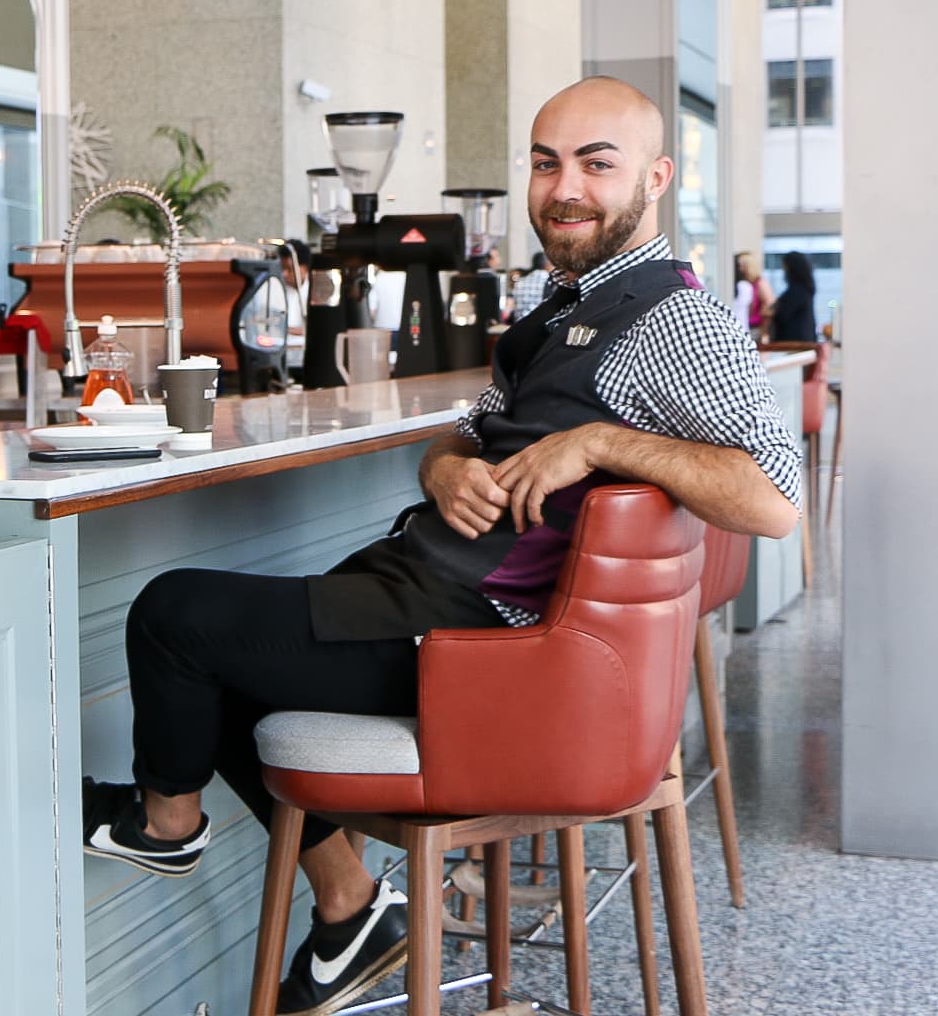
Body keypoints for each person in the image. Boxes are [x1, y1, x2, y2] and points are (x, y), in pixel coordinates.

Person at [81, 77, 803, 1016]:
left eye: (596, 162)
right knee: (221, 649)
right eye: (546, 163)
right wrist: (441, 469)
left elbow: (773, 497)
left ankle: (168, 820)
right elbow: (469, 430)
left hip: (481, 654)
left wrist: (602, 443)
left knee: (175, 616)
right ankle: (348, 911)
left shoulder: (671, 317)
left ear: (655, 178)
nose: (565, 186)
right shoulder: (561, 306)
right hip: (433, 601)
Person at [770, 250, 818, 343]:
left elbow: (782, 315)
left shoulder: (797, 292)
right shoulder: (805, 289)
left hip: (795, 343)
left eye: (785, 266)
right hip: (801, 341)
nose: (783, 269)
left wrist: (771, 311)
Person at [732, 250, 773, 340]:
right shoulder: (744, 284)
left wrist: (764, 332)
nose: (739, 269)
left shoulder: (759, 283)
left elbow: (769, 307)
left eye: (741, 266)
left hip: (757, 329)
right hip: (749, 326)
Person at [510, 250, 552, 321]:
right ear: (547, 265)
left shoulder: (520, 282)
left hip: (518, 325)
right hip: (538, 326)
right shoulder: (549, 281)